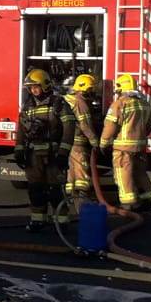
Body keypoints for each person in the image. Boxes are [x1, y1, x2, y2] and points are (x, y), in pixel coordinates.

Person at [17, 68, 74, 232]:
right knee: (35, 189)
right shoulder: (27, 107)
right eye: (31, 88)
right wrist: (19, 151)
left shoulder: (58, 104)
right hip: (33, 155)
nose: (33, 90)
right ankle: (37, 220)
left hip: (53, 155)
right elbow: (21, 130)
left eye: (36, 86)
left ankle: (62, 221)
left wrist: (63, 153)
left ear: (45, 85)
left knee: (55, 189)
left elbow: (69, 128)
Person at [101, 73, 151, 213]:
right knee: (139, 172)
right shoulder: (144, 104)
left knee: (123, 174)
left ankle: (129, 204)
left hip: (122, 147)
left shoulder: (119, 104)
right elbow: (150, 123)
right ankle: (148, 199)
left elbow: (111, 126)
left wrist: (103, 143)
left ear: (121, 89)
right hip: (140, 146)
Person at [63, 74, 102, 208]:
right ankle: (82, 198)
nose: (92, 93)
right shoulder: (80, 103)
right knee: (81, 167)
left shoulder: (66, 99)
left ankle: (70, 196)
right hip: (78, 141)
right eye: (91, 90)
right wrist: (94, 141)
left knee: (71, 168)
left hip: (66, 140)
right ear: (85, 89)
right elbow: (85, 124)